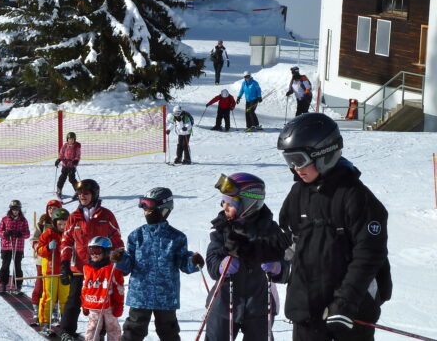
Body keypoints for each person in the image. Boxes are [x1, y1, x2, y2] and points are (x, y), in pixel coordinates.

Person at [271, 113, 391, 340]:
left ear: (323, 154)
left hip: (348, 315)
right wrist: (254, 247)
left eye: (299, 159)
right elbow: (287, 239)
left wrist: (346, 302)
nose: (295, 168)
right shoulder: (298, 194)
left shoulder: (356, 197)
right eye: (289, 161)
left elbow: (368, 255)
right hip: (307, 312)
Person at [110, 187, 205, 341]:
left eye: (149, 207)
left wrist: (193, 262)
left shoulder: (176, 237)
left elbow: (183, 263)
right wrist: (120, 259)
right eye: (144, 207)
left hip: (165, 295)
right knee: (133, 331)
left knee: (168, 332)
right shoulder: (136, 235)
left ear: (163, 209)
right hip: (140, 294)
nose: (146, 211)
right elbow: (128, 266)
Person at [205, 173, 285, 341]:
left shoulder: (270, 231)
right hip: (223, 303)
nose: (224, 206)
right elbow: (212, 261)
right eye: (223, 201)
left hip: (260, 306)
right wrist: (221, 265)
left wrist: (277, 267)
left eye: (230, 203)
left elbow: (286, 266)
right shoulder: (222, 229)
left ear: (249, 204)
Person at [59, 179, 124, 341]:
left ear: (94, 194)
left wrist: (119, 259)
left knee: (101, 301)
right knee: (74, 299)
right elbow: (66, 241)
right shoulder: (74, 217)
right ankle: (66, 331)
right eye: (80, 194)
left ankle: (99, 333)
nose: (82, 197)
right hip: (80, 266)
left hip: (101, 267)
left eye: (86, 194)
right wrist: (65, 263)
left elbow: (117, 239)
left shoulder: (106, 215)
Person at [81, 236, 125, 341]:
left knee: (113, 328)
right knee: (92, 328)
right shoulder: (88, 269)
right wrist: (84, 304)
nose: (94, 254)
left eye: (97, 251)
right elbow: (85, 288)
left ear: (106, 252)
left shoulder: (112, 269)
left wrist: (118, 305)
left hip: (109, 307)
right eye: (91, 251)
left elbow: (119, 289)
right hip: (93, 305)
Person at [36, 207, 71, 334]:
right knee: (49, 296)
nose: (62, 226)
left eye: (65, 224)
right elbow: (39, 250)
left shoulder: (70, 234)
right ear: (55, 223)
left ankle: (65, 321)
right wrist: (48, 248)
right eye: (60, 224)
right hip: (51, 269)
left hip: (65, 270)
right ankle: (45, 322)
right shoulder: (48, 233)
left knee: (65, 297)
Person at [31, 199, 64, 323]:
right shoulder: (43, 223)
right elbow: (34, 238)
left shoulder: (64, 221)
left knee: (56, 286)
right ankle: (36, 308)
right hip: (43, 259)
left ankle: (54, 310)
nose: (52, 210)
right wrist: (37, 247)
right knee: (41, 284)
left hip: (58, 259)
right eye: (50, 208)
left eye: (54, 208)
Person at [0, 199, 30, 293]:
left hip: (18, 247)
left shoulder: (23, 220)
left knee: (17, 266)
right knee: (5, 265)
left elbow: (27, 234)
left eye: (17, 209)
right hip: (7, 246)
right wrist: (5, 233)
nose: (15, 211)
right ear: (10, 209)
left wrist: (21, 234)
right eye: (14, 209)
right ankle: (3, 284)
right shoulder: (5, 219)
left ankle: (18, 285)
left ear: (19, 210)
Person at [54, 132, 81, 198]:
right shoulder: (65, 146)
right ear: (67, 139)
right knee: (62, 178)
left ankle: (78, 191)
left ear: (74, 139)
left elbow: (78, 155)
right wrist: (59, 160)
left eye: (72, 139)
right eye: (69, 139)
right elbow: (61, 154)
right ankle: (59, 190)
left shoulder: (76, 147)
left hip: (72, 165)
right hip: (65, 165)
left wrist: (76, 160)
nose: (71, 141)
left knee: (72, 179)